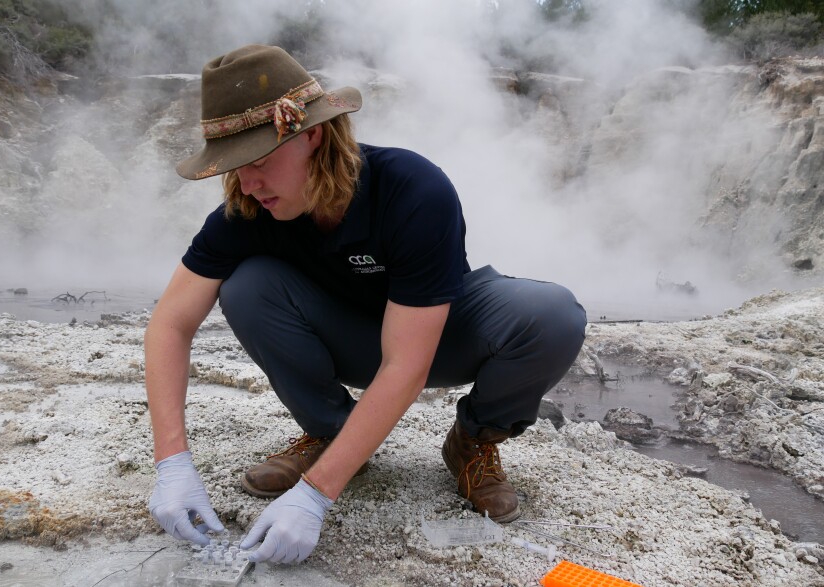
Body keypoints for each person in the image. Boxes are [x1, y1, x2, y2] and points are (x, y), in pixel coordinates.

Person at [145, 44, 587, 564]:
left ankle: (472, 439)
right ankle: (332, 435)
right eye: (235, 167)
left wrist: (313, 497)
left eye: (259, 161)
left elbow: (407, 363)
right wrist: (171, 464)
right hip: (348, 337)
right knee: (246, 283)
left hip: (438, 336)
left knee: (553, 315)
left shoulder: (412, 188)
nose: (247, 183)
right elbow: (169, 325)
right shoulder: (247, 210)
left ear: (311, 134)